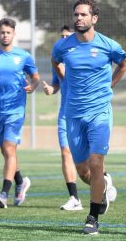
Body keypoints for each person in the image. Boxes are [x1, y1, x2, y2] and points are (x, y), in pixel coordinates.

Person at [52, 0, 126, 235]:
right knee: (83, 170)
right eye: (76, 14)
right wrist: (64, 78)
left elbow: (124, 63)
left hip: (99, 113)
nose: (78, 18)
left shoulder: (108, 45)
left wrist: (110, 86)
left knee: (96, 164)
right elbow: (55, 62)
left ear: (94, 18)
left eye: (83, 14)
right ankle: (104, 184)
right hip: (73, 114)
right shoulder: (63, 46)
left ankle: (92, 217)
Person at [0, 18, 39, 209]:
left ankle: (4, 193)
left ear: (14, 34)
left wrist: (33, 85)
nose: (5, 35)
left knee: (9, 149)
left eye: (8, 32)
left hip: (16, 109)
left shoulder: (23, 56)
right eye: (2, 32)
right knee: (6, 152)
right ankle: (21, 182)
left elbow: (35, 76)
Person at [43, 25, 83, 210]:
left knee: (90, 158)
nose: (64, 39)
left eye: (68, 36)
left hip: (84, 112)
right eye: (62, 36)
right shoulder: (57, 61)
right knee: (65, 152)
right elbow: (57, 84)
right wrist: (51, 89)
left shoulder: (81, 60)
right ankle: (74, 198)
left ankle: (104, 180)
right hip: (65, 113)